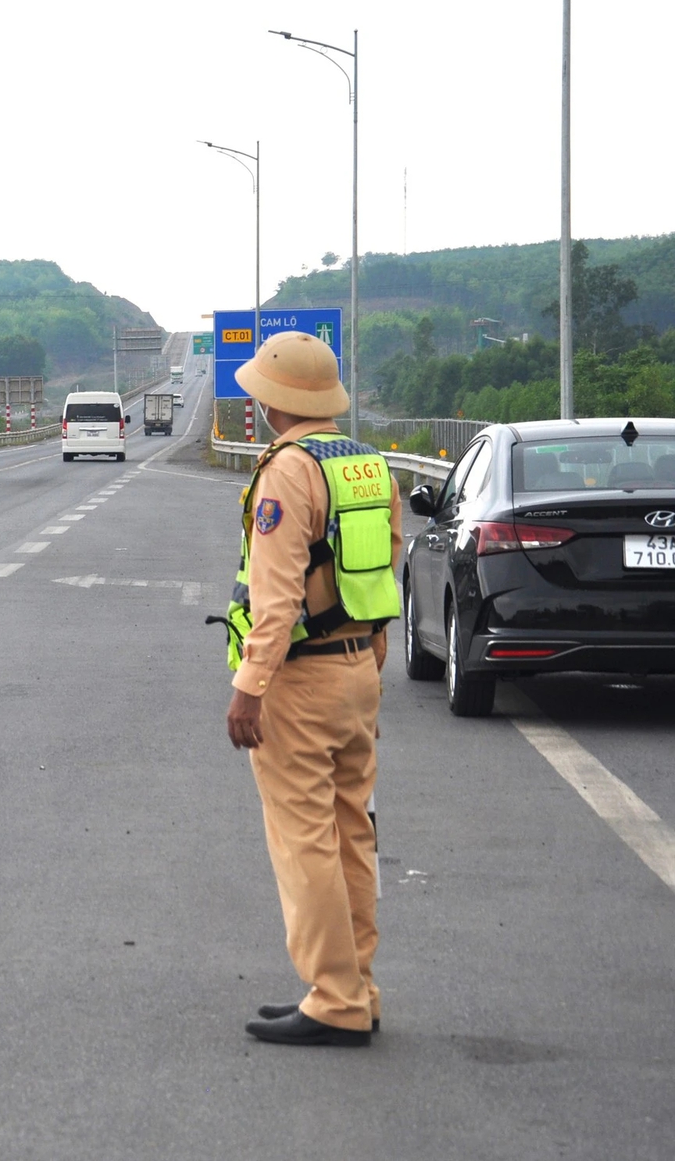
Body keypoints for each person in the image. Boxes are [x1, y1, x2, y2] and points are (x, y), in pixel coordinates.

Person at [220, 331, 403, 1048]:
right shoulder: (366, 464)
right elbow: (382, 578)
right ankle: (358, 985)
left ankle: (334, 1000)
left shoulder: (287, 473)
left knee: (305, 841)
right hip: (357, 670)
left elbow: (276, 598)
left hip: (301, 681)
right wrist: (372, 669)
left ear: (273, 401)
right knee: (352, 832)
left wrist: (249, 687)